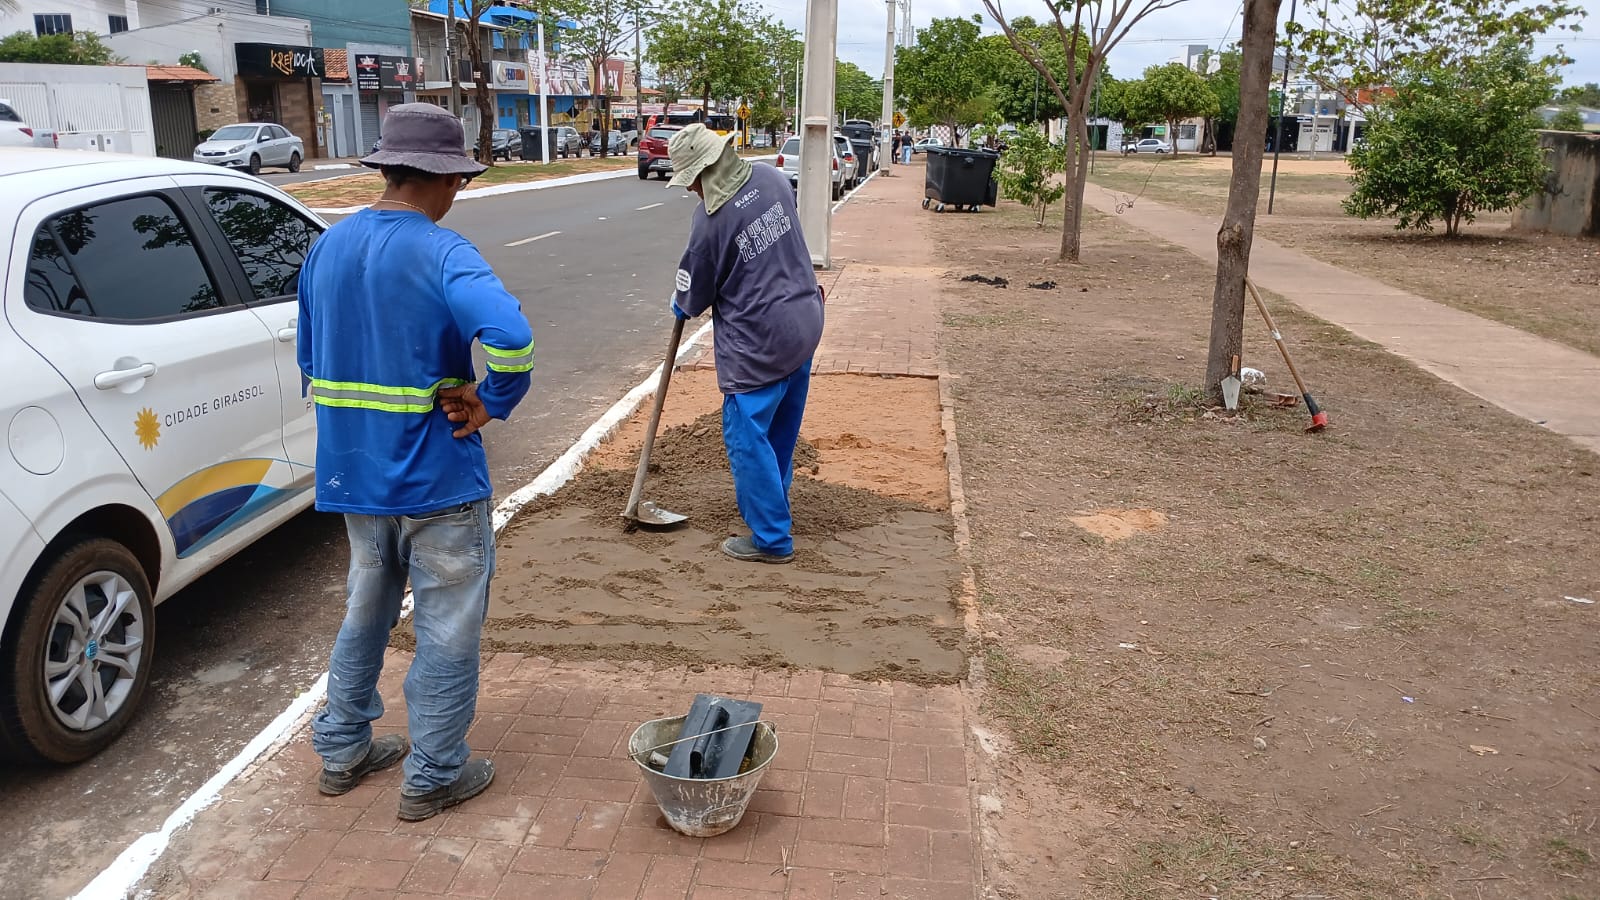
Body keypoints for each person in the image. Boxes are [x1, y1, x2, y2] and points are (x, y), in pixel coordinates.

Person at [298, 103, 535, 821]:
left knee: (365, 609)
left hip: (357, 480)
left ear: (387, 168)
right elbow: (513, 339)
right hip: (437, 480)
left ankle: (340, 750)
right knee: (447, 630)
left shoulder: (326, 248)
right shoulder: (443, 251)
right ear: (446, 179)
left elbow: (311, 360)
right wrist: (491, 397)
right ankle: (433, 773)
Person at [666, 124, 824, 564]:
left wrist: (681, 302)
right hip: (804, 320)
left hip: (760, 342)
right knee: (780, 431)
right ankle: (776, 504)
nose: (693, 191)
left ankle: (772, 539)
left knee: (747, 436)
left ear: (703, 173)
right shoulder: (773, 179)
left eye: (692, 181)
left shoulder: (710, 222)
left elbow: (694, 294)